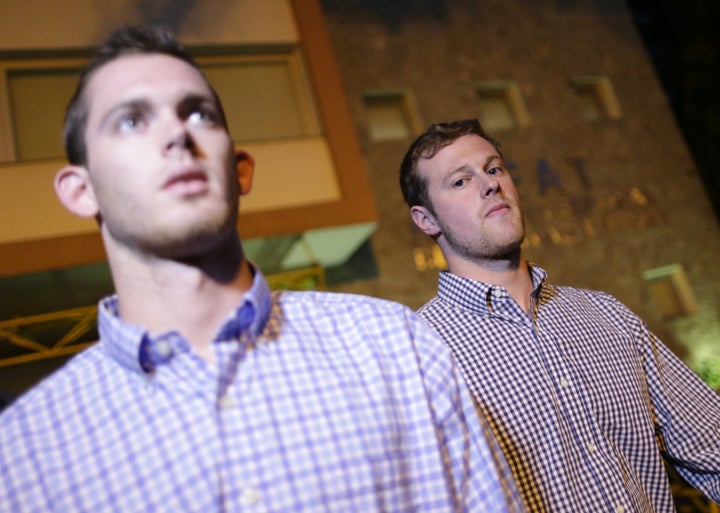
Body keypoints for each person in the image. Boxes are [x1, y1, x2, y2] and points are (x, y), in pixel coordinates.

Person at [0, 29, 525, 512]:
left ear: (239, 168)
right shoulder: (22, 454)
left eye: (199, 115)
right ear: (80, 189)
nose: (177, 136)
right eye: (131, 120)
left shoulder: (396, 347)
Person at [399, 118, 720, 512]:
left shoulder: (606, 314)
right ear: (426, 220)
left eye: (494, 168)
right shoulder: (419, 356)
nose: (490, 184)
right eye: (460, 181)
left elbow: (712, 447)